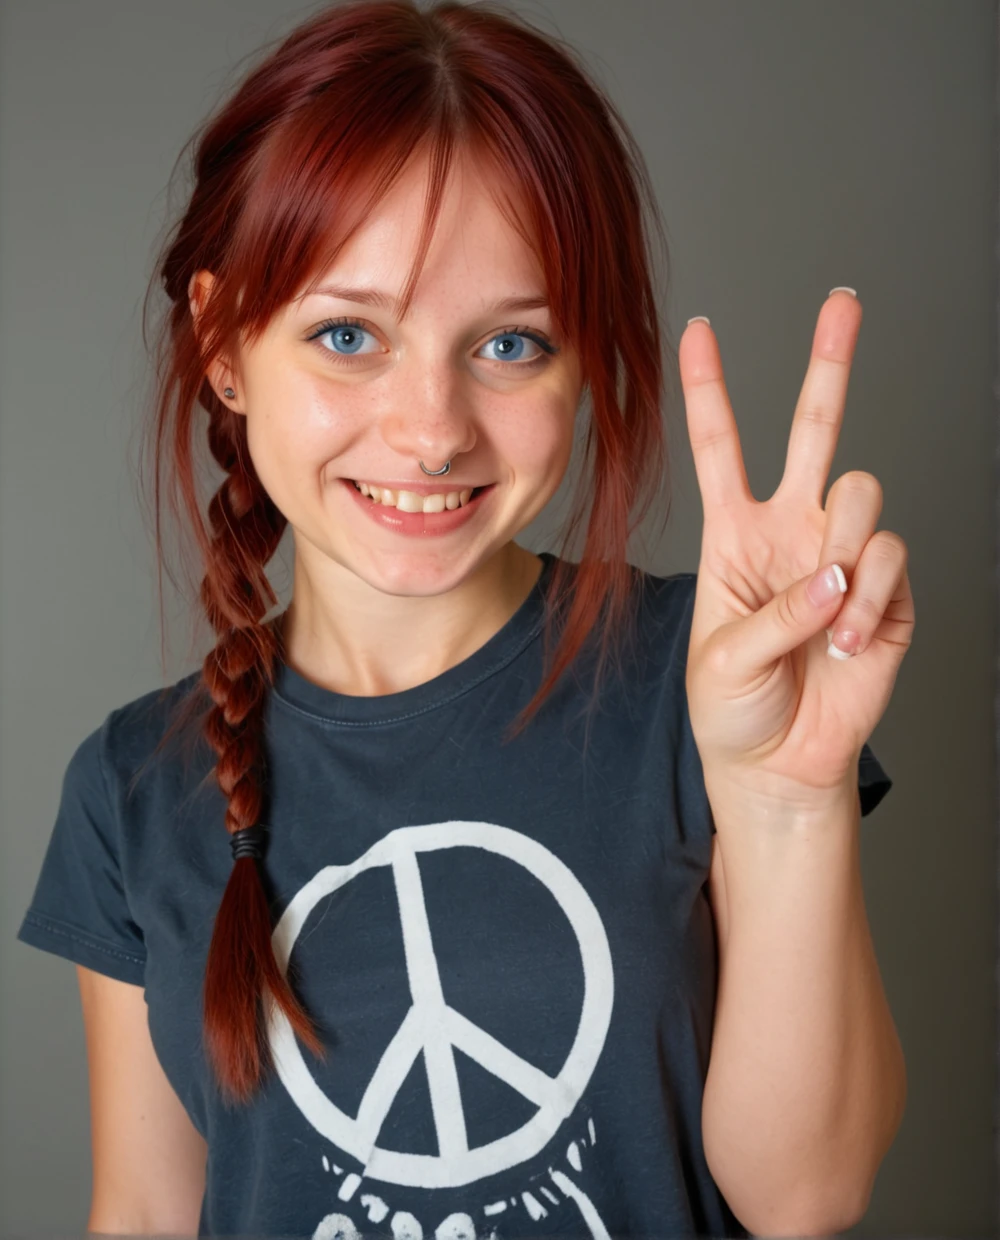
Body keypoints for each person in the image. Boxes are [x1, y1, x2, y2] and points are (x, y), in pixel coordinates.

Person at [16, 2, 906, 1237]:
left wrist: (787, 797)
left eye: (509, 343)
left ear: (584, 359)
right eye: (347, 335)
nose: (431, 428)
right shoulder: (131, 789)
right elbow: (148, 1215)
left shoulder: (711, 679)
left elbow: (806, 1197)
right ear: (224, 343)